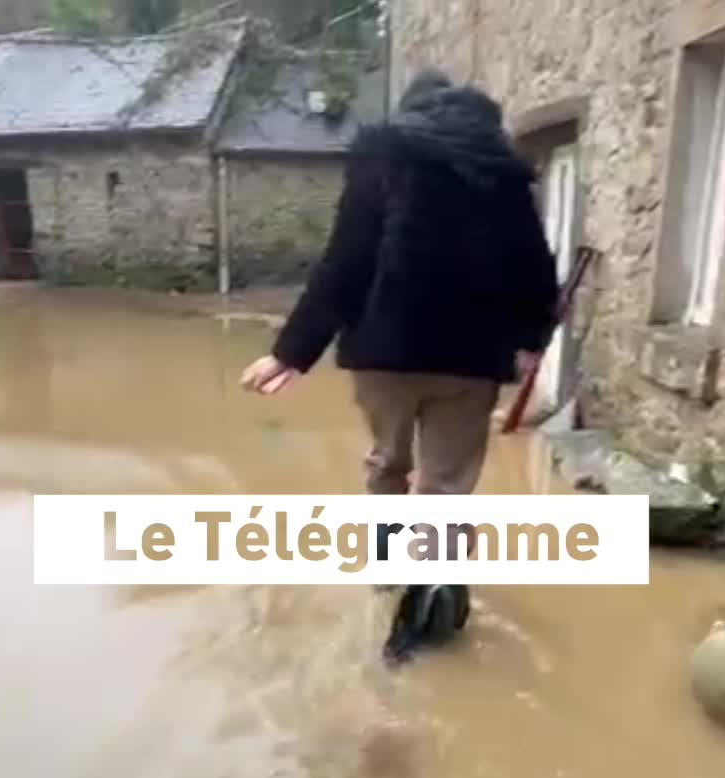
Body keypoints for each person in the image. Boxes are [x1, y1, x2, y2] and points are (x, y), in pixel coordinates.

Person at [237, 69, 561, 499]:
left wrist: (291, 353)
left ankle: (387, 553)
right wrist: (532, 338)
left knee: (387, 463)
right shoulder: (502, 170)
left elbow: (345, 261)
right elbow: (532, 265)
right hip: (472, 358)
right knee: (446, 485)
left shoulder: (381, 159)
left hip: (384, 351)